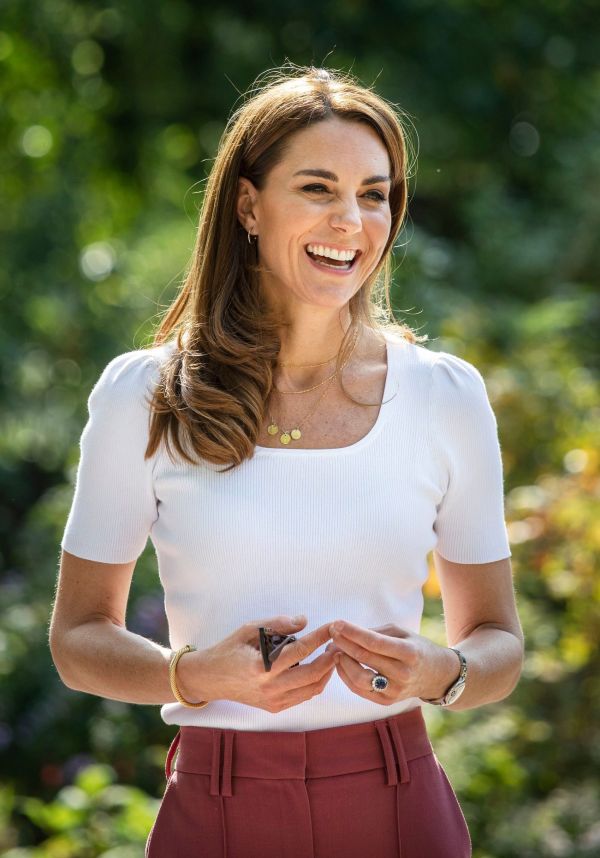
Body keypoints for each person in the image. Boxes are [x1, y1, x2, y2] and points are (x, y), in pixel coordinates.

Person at [49, 65, 524, 858]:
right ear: (248, 205)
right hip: (217, 806)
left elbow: (499, 644)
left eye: (374, 195)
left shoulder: (445, 395)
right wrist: (194, 676)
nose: (351, 220)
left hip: (401, 801)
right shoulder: (145, 395)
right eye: (317, 187)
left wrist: (437, 671)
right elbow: (77, 637)